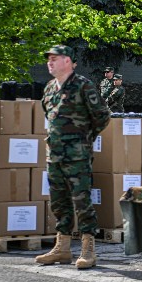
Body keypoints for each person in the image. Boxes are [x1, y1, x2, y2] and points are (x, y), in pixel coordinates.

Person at [35, 45, 111, 269]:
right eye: (48, 59)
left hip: (77, 156)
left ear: (67, 61)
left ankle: (88, 249)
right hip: (54, 156)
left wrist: (84, 139)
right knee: (59, 202)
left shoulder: (83, 85)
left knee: (81, 201)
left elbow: (102, 117)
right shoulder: (49, 88)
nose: (49, 62)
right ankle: (63, 248)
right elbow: (48, 116)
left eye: (54, 58)